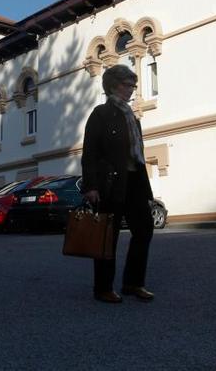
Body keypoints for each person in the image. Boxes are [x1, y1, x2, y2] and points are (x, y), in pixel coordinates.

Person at [81, 65, 155, 304]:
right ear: (113, 85)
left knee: (144, 229)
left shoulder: (132, 117)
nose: (132, 89)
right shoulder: (101, 113)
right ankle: (103, 287)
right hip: (110, 183)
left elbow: (139, 156)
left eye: (133, 85)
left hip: (134, 181)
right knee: (107, 236)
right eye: (127, 84)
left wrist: (147, 192)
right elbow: (90, 153)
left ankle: (133, 283)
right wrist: (91, 186)